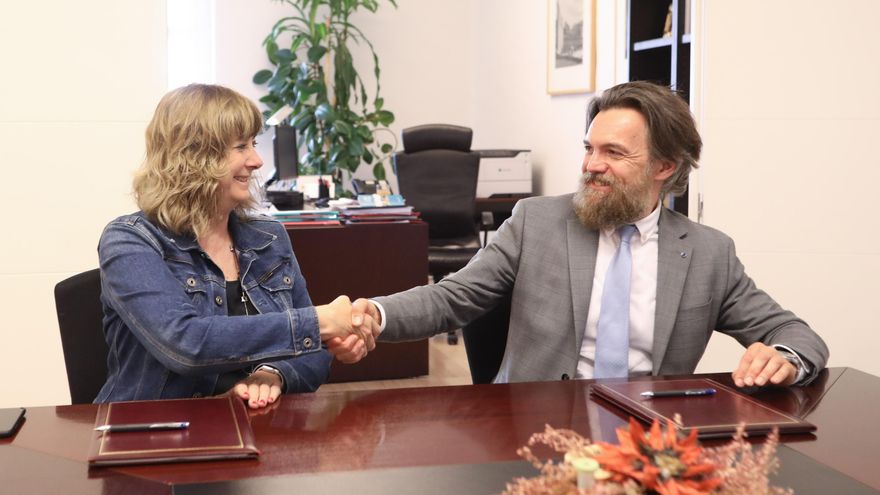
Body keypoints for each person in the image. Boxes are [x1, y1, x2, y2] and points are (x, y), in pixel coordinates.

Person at [332, 81, 829, 387]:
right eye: (589, 148)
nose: (591, 165)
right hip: (529, 426)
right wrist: (374, 313)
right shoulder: (536, 222)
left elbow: (798, 335)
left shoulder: (708, 253)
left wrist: (782, 357)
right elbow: (452, 298)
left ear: (664, 166)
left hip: (647, 438)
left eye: (613, 152)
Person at [97, 84, 376, 408]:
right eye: (241, 146)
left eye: (253, 144)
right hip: (153, 434)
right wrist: (320, 321)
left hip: (252, 426)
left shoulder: (269, 236)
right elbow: (186, 344)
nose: (257, 161)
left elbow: (313, 352)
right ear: (194, 156)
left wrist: (273, 374)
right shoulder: (130, 240)